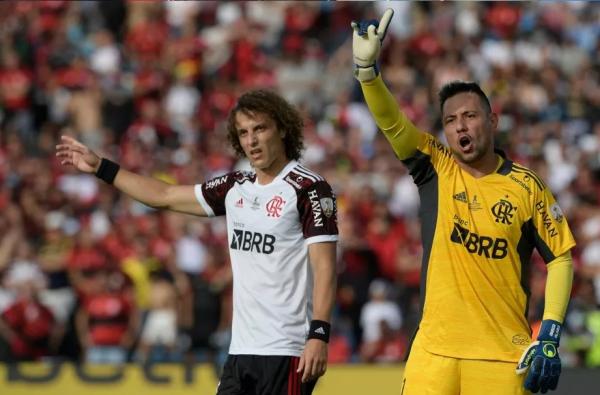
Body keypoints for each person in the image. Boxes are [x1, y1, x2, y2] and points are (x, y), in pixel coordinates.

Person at [351, 9, 575, 395]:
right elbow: (394, 124)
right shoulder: (436, 168)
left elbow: (561, 257)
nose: (460, 126)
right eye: (451, 119)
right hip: (433, 354)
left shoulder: (526, 186)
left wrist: (550, 332)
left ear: (493, 121)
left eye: (470, 115)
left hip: (503, 357)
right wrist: (368, 72)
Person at [56, 89, 338, 394]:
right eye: (243, 133)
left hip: (288, 349)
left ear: (282, 128)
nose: (251, 141)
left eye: (260, 129)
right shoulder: (235, 187)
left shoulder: (309, 189)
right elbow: (163, 196)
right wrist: (101, 167)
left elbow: (325, 268)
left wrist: (319, 335)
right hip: (241, 349)